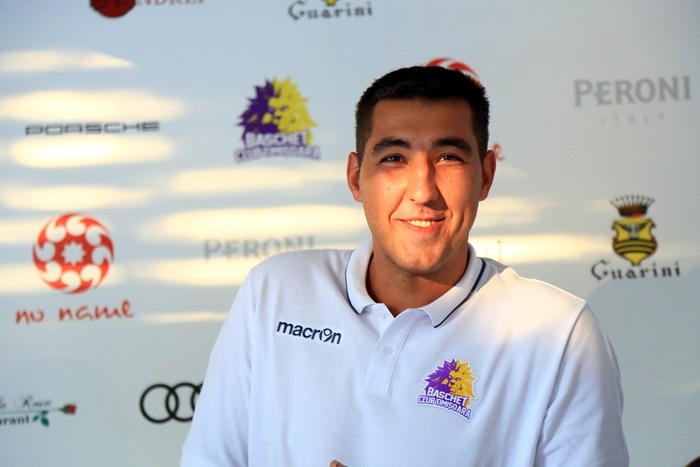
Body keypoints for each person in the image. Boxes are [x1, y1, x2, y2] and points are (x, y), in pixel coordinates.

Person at [181, 66, 628, 466]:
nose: (423, 190)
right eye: (394, 158)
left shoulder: (558, 331)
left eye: (448, 157)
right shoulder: (276, 290)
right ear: (356, 177)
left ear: (486, 175)